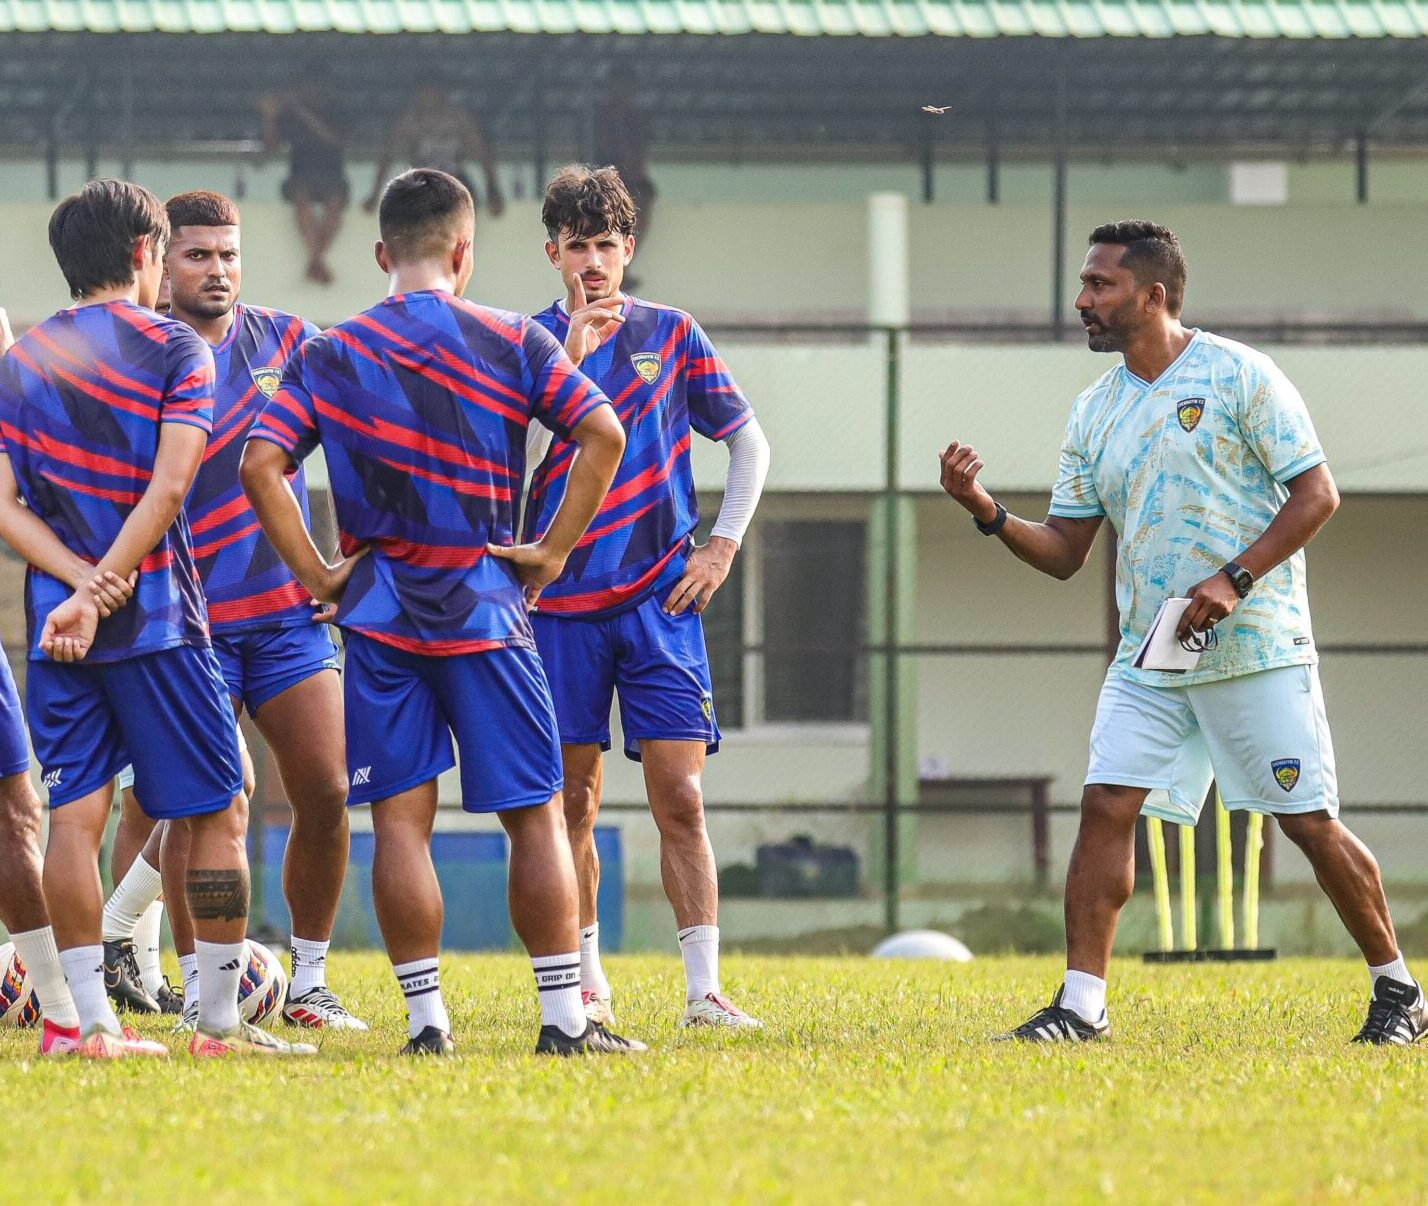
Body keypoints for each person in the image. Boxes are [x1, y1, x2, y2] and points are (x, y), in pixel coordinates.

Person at [940, 219, 1424, 1046]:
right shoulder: (1094, 411)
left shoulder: (1240, 375)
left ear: (1154, 295)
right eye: (1084, 283)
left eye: (1101, 285)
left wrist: (1235, 579)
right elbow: (1065, 552)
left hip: (1256, 646)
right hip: (1152, 654)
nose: (1082, 300)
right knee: (1105, 804)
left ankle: (1400, 991)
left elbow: (1317, 495)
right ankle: (1081, 1007)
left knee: (1306, 821)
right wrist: (987, 512)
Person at [241, 167, 640, 1056]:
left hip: (380, 617)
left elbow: (259, 464)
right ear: (464, 252)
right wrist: (553, 551)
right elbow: (604, 434)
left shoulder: (330, 352)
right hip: (488, 609)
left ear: (381, 253)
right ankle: (564, 1021)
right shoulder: (515, 340)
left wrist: (319, 575)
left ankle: (428, 1025)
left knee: (398, 823)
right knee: (534, 815)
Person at [0, 178, 313, 1058]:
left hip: (59, 631)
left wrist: (76, 588)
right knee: (217, 810)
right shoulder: (178, 347)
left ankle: (87, 1027)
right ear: (147, 253)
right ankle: (217, 1023)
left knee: (74, 820)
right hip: (160, 625)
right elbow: (171, 487)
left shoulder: (23, 360)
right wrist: (107, 587)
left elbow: (5, 505)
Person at [105, 190, 363, 1033]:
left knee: (326, 790)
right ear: (160, 261)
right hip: (184, 625)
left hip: (289, 619)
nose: (217, 270)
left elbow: (358, 444)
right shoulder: (136, 356)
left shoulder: (292, 343)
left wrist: (340, 564)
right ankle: (191, 987)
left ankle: (309, 983)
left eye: (228, 255)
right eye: (197, 255)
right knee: (202, 804)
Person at [526, 165, 770, 1030]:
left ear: (628, 248)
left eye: (606, 244)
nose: (592, 261)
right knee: (572, 801)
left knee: (683, 798)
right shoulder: (526, 343)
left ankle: (704, 991)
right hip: (558, 607)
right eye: (576, 246)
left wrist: (722, 546)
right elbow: (509, 464)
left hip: (661, 604)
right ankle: (587, 979)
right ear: (552, 253)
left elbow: (749, 443)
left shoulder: (671, 333)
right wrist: (568, 358)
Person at [363, 89, 504, 221]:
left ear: (443, 98)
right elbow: (388, 156)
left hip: (454, 180)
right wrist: (374, 194)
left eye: (435, 101)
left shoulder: (460, 121)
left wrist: (493, 191)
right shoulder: (408, 123)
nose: (430, 107)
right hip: (420, 184)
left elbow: (483, 154)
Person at [259, 89, 348, 285]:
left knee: (334, 205)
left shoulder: (337, 110)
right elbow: (270, 148)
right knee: (302, 202)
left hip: (332, 176)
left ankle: (315, 261)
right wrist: (269, 117)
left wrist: (300, 110)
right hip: (300, 176)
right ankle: (317, 261)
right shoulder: (289, 117)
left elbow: (333, 139)